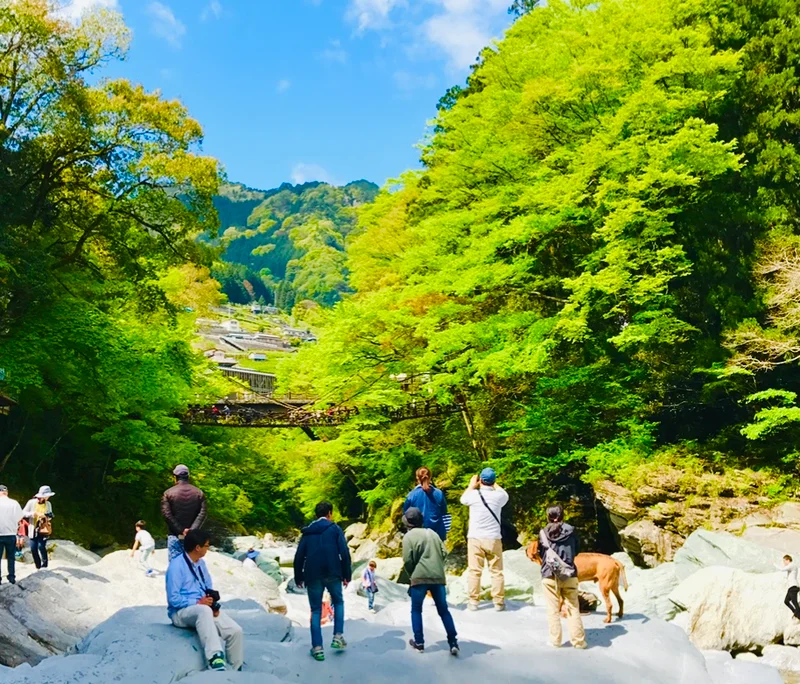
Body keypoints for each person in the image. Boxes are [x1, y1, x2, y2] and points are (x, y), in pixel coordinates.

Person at [166, 528, 244, 672]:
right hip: (180, 612)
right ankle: (215, 657)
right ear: (197, 548)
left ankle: (235, 668)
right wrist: (198, 603)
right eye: (207, 545)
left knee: (235, 631)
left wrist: (212, 604)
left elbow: (208, 587)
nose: (208, 548)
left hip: (203, 608)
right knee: (202, 610)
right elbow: (173, 599)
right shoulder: (176, 566)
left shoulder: (200, 564)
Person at [293, 501, 352, 662]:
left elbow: (299, 556)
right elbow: (344, 553)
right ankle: (338, 636)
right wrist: (347, 574)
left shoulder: (307, 532)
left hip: (312, 575)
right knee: (338, 602)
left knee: (316, 610)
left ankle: (317, 648)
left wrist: (299, 577)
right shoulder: (335, 529)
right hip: (333, 572)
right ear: (330, 513)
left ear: (316, 514)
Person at [402, 507, 459, 655]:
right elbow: (444, 552)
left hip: (419, 578)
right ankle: (453, 642)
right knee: (443, 610)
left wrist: (412, 575)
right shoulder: (432, 533)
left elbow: (408, 560)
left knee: (416, 610)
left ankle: (419, 643)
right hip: (438, 577)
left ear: (407, 522)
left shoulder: (408, 537)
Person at [459, 468, 508, 611]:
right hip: (493, 538)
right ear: (493, 481)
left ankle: (473, 602)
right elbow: (505, 494)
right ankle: (498, 602)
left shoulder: (472, 495)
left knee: (474, 571)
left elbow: (463, 499)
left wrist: (472, 485)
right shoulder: (499, 496)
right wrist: (495, 484)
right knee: (496, 571)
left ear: (480, 480)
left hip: (475, 538)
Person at [539, 505, 587, 649]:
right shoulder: (572, 531)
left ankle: (555, 641)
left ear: (548, 516)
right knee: (573, 608)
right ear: (562, 516)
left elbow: (542, 554)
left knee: (552, 609)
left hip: (549, 575)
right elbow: (576, 550)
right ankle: (579, 642)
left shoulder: (543, 533)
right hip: (569, 573)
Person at [161, 464, 207, 561]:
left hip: (175, 535)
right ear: (188, 476)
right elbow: (202, 513)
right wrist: (191, 530)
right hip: (193, 537)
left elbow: (167, 514)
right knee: (192, 565)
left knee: (175, 566)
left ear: (175, 477)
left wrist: (181, 530)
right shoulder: (199, 493)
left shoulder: (168, 493)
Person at [403, 467, 449, 541]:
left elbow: (406, 515)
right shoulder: (439, 493)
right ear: (430, 477)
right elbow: (445, 514)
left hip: (418, 535)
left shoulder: (411, 495)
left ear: (417, 478)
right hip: (437, 535)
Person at [22, 485, 55, 570]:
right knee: (33, 548)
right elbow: (23, 513)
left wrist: (46, 516)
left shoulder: (48, 504)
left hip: (43, 528)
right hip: (33, 528)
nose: (48, 497)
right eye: (47, 495)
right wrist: (33, 514)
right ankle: (38, 566)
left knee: (41, 546)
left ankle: (44, 566)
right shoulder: (31, 502)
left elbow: (50, 515)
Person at [0, 485, 23, 585]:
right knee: (11, 557)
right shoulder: (14, 503)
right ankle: (11, 577)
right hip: (10, 534)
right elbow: (19, 517)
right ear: (7, 493)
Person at [777, 554, 800, 620]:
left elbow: (782, 569)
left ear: (788, 560)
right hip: (791, 587)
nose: (784, 562)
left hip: (793, 587)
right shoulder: (791, 566)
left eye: (784, 561)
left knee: (794, 602)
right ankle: (795, 612)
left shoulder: (792, 565)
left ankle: (798, 615)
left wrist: (774, 564)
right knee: (786, 601)